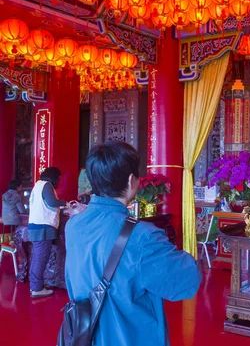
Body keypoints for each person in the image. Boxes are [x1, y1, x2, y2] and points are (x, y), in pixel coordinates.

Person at [65, 141, 200, 346]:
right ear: (131, 181)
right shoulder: (142, 237)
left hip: (85, 336)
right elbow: (186, 281)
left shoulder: (74, 224)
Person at [28, 167, 66, 298]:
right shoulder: (46, 185)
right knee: (41, 258)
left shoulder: (38, 185)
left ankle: (35, 286)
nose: (59, 181)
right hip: (43, 226)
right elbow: (52, 202)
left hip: (36, 226)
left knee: (38, 257)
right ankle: (37, 289)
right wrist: (65, 203)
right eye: (59, 178)